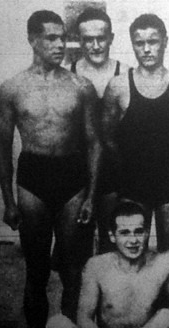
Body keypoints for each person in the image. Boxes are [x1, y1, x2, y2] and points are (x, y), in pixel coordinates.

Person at [0, 10, 101, 328]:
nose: (60, 45)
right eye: (51, 38)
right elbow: (2, 146)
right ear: (32, 40)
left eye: (62, 38)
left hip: (72, 179)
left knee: (73, 272)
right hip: (33, 180)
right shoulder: (13, 88)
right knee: (36, 272)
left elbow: (94, 143)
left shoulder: (81, 86)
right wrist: (8, 200)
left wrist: (91, 194)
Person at [102, 13, 169, 251]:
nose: (146, 49)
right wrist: (127, 166)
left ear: (165, 41)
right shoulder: (118, 86)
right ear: (132, 44)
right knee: (131, 255)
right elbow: (107, 138)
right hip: (132, 184)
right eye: (139, 43)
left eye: (152, 42)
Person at [68, 8, 130, 254]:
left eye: (101, 38)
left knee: (111, 240)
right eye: (88, 39)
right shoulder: (68, 74)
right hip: (78, 169)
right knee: (76, 245)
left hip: (115, 169)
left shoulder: (127, 74)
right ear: (79, 40)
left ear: (111, 38)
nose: (95, 46)